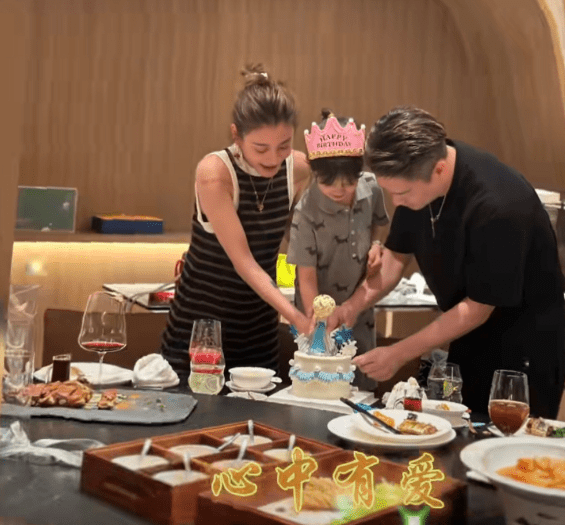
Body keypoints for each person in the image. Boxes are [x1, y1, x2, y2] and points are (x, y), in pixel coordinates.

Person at [328, 106, 565, 418]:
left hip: (523, 350)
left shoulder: (498, 206)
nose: (396, 202)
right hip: (468, 335)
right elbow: (395, 258)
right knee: (462, 427)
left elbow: (477, 308)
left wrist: (398, 353)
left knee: (509, 441)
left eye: (402, 193)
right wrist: (351, 307)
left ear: (439, 170)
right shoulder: (416, 178)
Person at [161, 65, 312, 382]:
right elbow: (244, 262)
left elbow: (303, 243)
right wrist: (295, 317)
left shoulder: (298, 169)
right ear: (236, 135)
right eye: (261, 148)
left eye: (284, 146)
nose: (273, 159)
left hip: (259, 329)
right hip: (201, 329)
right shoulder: (215, 173)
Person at [286, 110, 388, 391]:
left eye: (349, 182)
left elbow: (380, 224)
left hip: (360, 304)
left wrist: (376, 244)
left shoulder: (372, 189)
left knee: (361, 381)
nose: (339, 190)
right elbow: (306, 278)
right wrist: (319, 322)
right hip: (317, 314)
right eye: (328, 182)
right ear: (314, 172)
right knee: (320, 382)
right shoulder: (306, 212)